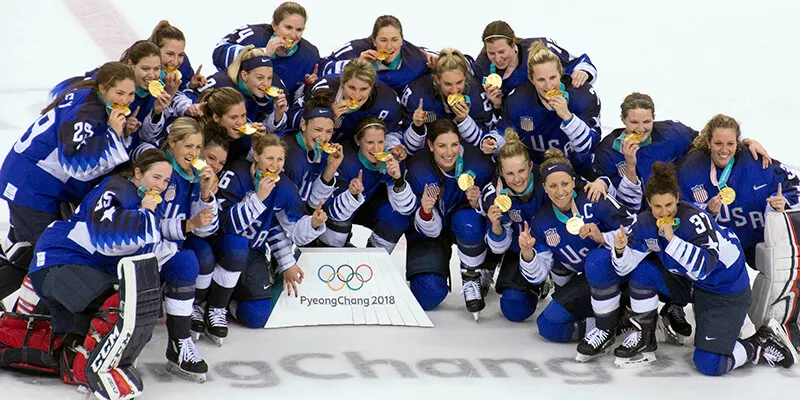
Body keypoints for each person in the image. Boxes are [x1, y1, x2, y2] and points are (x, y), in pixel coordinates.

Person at [29, 149, 208, 388]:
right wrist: (146, 213)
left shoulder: (147, 200)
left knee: (127, 325)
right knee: (117, 309)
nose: (161, 185)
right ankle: (92, 370)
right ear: (137, 172)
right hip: (58, 261)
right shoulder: (117, 188)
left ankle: (73, 353)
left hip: (84, 269)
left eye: (166, 180)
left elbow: (146, 243)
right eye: (156, 177)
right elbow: (108, 239)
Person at [611, 162, 797, 374]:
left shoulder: (694, 220)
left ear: (678, 200)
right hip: (692, 284)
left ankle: (759, 342)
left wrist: (671, 240)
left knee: (709, 364)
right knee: (643, 272)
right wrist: (620, 250)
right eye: (657, 206)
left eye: (669, 205)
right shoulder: (645, 223)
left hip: (724, 288)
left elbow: (703, 269)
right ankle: (645, 335)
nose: (664, 212)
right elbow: (624, 268)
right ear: (649, 204)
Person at [0, 62, 136, 306]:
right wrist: (113, 136)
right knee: (48, 256)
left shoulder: (88, 96)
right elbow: (76, 163)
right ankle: (27, 320)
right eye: (119, 93)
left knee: (30, 252)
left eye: (130, 94)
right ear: (103, 89)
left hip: (29, 182)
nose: (125, 101)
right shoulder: (89, 110)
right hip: (32, 187)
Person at [510, 149, 637, 361]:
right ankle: (616, 322)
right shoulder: (541, 222)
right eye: (552, 186)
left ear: (573, 181)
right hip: (589, 283)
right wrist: (527, 252)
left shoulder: (594, 198)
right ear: (544, 187)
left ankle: (620, 316)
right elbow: (537, 276)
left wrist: (602, 237)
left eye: (565, 184)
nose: (560, 191)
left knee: (596, 261)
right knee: (548, 325)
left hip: (620, 273)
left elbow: (634, 227)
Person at [213, 134, 327, 333]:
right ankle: (214, 305)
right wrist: (259, 198)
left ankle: (229, 299)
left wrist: (313, 224)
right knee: (237, 245)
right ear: (256, 156)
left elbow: (285, 230)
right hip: (222, 248)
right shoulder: (236, 174)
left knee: (257, 316)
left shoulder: (284, 186)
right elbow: (228, 226)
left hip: (252, 253)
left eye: (280, 159)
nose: (275, 165)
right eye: (269, 158)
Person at [594, 93, 771, 212]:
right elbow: (627, 207)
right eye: (634, 122)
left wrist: (744, 142)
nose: (640, 129)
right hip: (643, 220)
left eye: (646, 121)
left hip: (679, 210)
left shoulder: (673, 134)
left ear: (654, 117)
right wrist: (630, 166)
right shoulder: (607, 152)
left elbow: (711, 141)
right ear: (622, 119)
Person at [678, 114, 799, 268]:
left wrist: (781, 203)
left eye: (730, 144)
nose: (724, 150)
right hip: (721, 249)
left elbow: (793, 187)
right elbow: (680, 209)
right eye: (718, 143)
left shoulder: (757, 160)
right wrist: (707, 211)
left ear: (738, 143)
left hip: (759, 241)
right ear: (709, 143)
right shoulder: (690, 170)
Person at [404, 119, 494, 319]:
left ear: (461, 142)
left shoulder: (479, 164)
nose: (449, 152)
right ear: (430, 145)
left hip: (464, 222)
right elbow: (430, 229)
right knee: (427, 296)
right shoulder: (418, 170)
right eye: (441, 145)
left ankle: (473, 273)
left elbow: (497, 207)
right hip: (431, 233)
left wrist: (480, 203)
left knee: (469, 223)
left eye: (454, 145)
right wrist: (426, 212)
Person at [481, 41, 601, 180]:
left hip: (579, 171)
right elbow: (503, 131)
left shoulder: (583, 96)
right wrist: (493, 142)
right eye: (541, 80)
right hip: (537, 174)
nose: (549, 86)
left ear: (561, 73)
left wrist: (568, 117)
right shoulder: (518, 101)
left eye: (553, 77)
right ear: (531, 79)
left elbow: (589, 147)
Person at [318, 117, 415, 252]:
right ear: (358, 141)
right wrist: (350, 195)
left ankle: (376, 259)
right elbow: (332, 212)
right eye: (369, 142)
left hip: (366, 208)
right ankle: (330, 254)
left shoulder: (392, 161)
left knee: (397, 218)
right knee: (340, 222)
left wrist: (398, 179)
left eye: (380, 142)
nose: (376, 149)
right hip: (338, 213)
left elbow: (406, 209)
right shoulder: (343, 159)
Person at [288, 59, 406, 157]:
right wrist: (327, 117)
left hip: (355, 152)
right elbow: (292, 118)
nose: (356, 95)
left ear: (372, 86)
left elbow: (394, 131)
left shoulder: (387, 100)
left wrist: (393, 147)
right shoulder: (323, 89)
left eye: (364, 89)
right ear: (342, 82)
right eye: (352, 88)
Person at [472, 20, 597, 108]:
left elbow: (580, 62)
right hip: (523, 126)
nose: (497, 58)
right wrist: (497, 105)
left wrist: (583, 72)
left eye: (501, 52)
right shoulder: (482, 68)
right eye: (491, 53)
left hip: (554, 115)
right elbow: (488, 117)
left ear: (513, 44)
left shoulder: (538, 50)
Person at [212, 2, 320, 102]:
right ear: (274, 25)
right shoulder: (253, 36)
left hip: (270, 114)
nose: (293, 35)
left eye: (299, 30)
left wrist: (308, 87)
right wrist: (263, 53)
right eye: (288, 27)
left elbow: (295, 100)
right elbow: (218, 53)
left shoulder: (309, 56)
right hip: (232, 103)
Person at [401, 48, 496, 153]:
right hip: (429, 152)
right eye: (448, 84)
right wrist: (417, 127)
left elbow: (483, 142)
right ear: (437, 79)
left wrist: (464, 120)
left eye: (459, 82)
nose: (454, 90)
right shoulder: (416, 95)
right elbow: (409, 150)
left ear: (465, 76)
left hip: (464, 152)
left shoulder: (477, 95)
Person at [186, 46, 288, 138]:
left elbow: (265, 129)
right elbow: (184, 95)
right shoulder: (219, 83)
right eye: (260, 77)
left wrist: (278, 113)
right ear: (244, 75)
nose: (266, 83)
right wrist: (190, 107)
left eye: (269, 78)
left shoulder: (271, 92)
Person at [319, 15, 435, 95]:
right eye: (383, 40)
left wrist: (437, 64)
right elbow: (322, 67)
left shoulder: (417, 57)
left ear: (402, 40)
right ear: (374, 41)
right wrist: (355, 65)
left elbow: (448, 61)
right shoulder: (355, 49)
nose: (389, 46)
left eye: (394, 40)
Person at [283, 89, 341, 208]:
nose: (323, 137)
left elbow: (314, 203)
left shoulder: (328, 150)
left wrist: (331, 168)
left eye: (329, 131)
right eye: (318, 130)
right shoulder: (287, 155)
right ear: (303, 125)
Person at [192, 87, 254, 162]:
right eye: (233, 117)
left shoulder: (245, 139)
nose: (241, 122)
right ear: (216, 117)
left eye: (243, 115)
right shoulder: (196, 136)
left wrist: (257, 144)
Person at [148, 20, 206, 91]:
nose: (175, 62)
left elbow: (183, 86)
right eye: (170, 54)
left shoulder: (184, 66)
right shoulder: (139, 71)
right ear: (155, 50)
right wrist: (168, 92)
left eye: (180, 55)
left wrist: (190, 85)